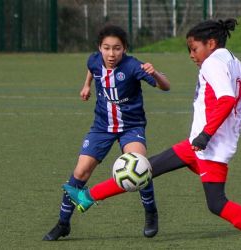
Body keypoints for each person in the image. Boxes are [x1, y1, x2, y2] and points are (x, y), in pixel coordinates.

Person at [62, 19, 241, 249]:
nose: (192, 55)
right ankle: (88, 197)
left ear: (211, 44)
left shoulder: (212, 63)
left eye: (194, 49)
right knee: (145, 168)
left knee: (216, 203)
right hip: (199, 145)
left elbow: (226, 99)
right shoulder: (237, 64)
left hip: (209, 148)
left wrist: (206, 134)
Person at [43, 24, 170, 241]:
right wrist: (86, 86)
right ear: (99, 48)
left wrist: (155, 73)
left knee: (139, 164)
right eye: (107, 48)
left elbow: (166, 86)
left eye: (117, 48)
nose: (111, 54)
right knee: (80, 172)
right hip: (102, 126)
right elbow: (92, 70)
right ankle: (63, 223)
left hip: (131, 126)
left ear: (125, 49)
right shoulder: (93, 60)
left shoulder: (133, 66)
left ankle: (151, 212)